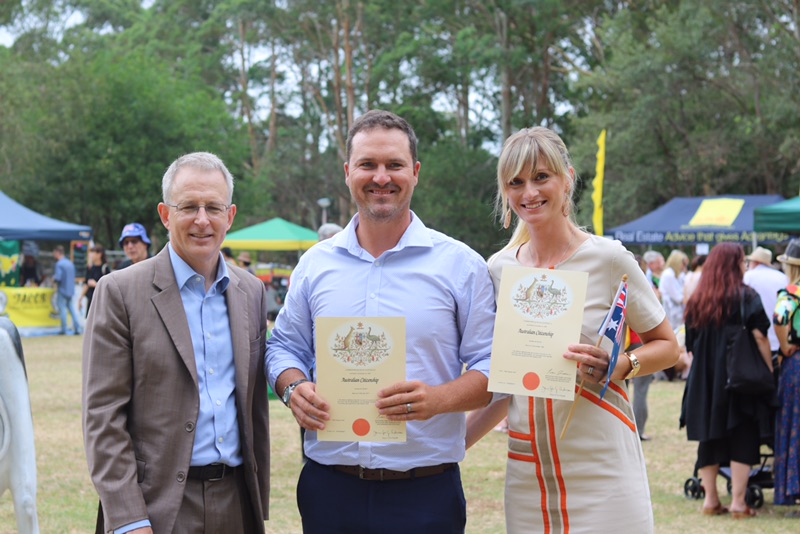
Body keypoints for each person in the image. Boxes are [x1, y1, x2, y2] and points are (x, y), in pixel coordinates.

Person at [267, 109, 496, 533]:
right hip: (329, 490)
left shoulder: (461, 265)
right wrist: (293, 387)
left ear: (416, 172)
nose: (381, 177)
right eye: (368, 164)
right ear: (348, 171)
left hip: (426, 494)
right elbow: (283, 347)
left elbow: (493, 367)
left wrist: (439, 399)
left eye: (394, 165)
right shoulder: (316, 265)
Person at [465, 127, 679, 533]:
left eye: (541, 177)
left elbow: (668, 347)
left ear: (568, 179)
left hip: (603, 464)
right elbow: (503, 381)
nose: (529, 192)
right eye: (516, 182)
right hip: (528, 470)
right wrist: (449, 448)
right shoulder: (497, 269)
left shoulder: (609, 258)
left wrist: (620, 365)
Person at [82, 152, 271, 533]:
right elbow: (103, 418)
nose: (202, 219)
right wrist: (129, 519)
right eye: (188, 206)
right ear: (166, 215)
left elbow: (254, 405)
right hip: (157, 509)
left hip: (237, 502)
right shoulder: (120, 292)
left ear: (230, 216)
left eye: (213, 207)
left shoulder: (251, 291)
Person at [680, 242, 775, 519]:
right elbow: (760, 336)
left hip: (705, 378)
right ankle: (737, 503)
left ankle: (711, 500)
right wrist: (768, 370)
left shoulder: (698, 300)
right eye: (743, 261)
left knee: (709, 437)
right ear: (735, 265)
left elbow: (691, 344)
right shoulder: (747, 296)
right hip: (739, 375)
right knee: (743, 434)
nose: (745, 265)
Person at [773, 238, 800, 508]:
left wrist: (784, 345)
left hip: (797, 364)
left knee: (795, 424)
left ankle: (793, 487)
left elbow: (780, 318)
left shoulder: (793, 290)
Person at [744, 246, 788, 363]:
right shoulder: (782, 278)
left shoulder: (747, 277)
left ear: (754, 262)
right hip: (779, 340)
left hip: (753, 342)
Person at [52, 245, 82, 335]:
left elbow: (58, 277)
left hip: (62, 290)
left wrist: (53, 279)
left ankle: (64, 329)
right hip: (70, 290)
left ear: (57, 253)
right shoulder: (70, 263)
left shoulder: (59, 264)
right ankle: (78, 328)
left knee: (63, 309)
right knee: (72, 309)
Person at [660, 249, 688, 329]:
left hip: (676, 314)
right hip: (672, 313)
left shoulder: (677, 274)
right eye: (683, 263)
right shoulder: (668, 274)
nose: (684, 266)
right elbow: (678, 297)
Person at [79, 245, 109, 316]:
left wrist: (96, 284)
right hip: (91, 300)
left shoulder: (105, 268)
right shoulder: (90, 268)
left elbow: (109, 287)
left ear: (99, 254)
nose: (90, 255)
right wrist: (80, 299)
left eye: (93, 252)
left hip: (101, 301)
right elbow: (86, 284)